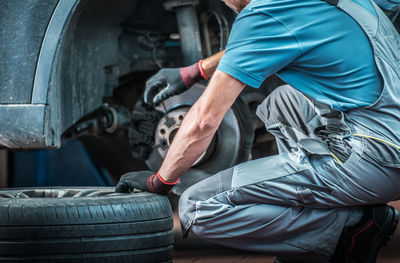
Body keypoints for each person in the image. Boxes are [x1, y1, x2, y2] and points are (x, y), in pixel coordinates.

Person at [116, 0, 400, 262]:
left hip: (374, 159)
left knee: (196, 207)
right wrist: (198, 70)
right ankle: (317, 212)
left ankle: (350, 227)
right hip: (389, 142)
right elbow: (274, 34)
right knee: (282, 102)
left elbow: (203, 121)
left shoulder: (262, 14)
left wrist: (161, 181)